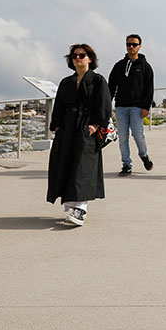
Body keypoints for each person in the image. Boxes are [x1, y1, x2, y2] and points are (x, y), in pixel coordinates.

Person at [47, 44, 112, 226]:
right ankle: (72, 206)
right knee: (66, 163)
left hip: (86, 126)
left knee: (83, 166)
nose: (77, 58)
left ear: (90, 58)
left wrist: (96, 125)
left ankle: (81, 208)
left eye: (82, 55)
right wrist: (57, 126)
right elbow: (59, 105)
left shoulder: (98, 80)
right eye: (74, 55)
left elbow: (104, 104)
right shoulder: (66, 82)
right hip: (67, 127)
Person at [107, 34, 154, 176]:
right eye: (129, 44)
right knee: (123, 137)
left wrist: (146, 107)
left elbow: (149, 89)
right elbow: (111, 86)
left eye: (134, 44)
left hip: (137, 107)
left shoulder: (145, 67)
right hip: (121, 106)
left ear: (140, 46)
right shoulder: (119, 66)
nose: (131, 47)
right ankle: (126, 164)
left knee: (138, 135)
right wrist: (107, 105)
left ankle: (144, 155)